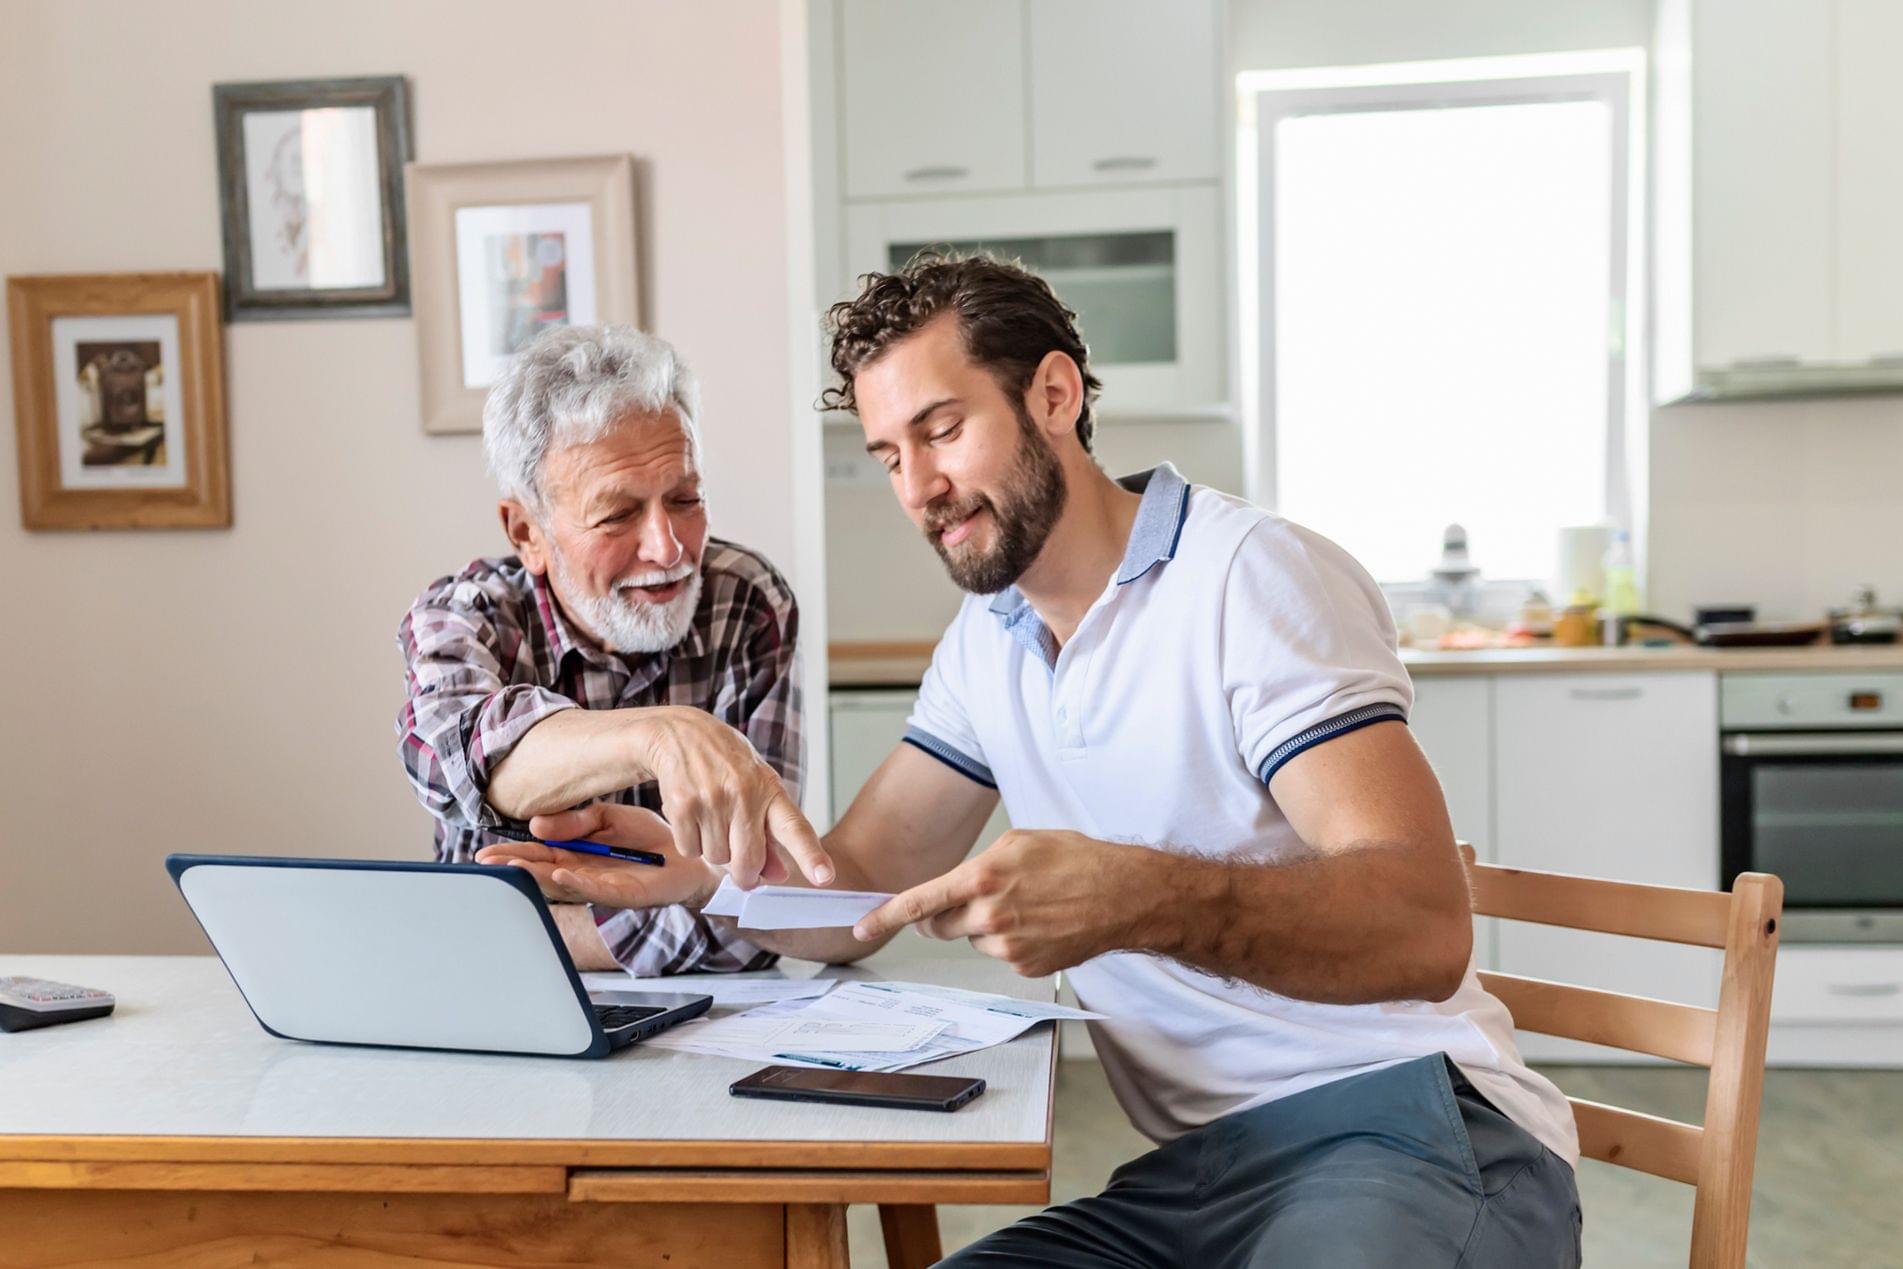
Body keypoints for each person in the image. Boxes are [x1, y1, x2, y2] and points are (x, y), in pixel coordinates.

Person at [483, 258, 1582, 1265]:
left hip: (1411, 1127)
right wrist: (706, 876)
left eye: (943, 429)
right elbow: (854, 893)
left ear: (1053, 396)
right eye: (889, 455)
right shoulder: (987, 642)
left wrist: (1135, 896)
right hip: (1196, 1179)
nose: (918, 486)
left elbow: (1423, 928)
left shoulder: (1251, 580)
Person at [394, 324, 832, 973]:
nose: (669, 548)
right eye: (617, 515)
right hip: (497, 997)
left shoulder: (746, 603)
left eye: (685, 499)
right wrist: (662, 735)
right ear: (526, 532)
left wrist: (537, 936)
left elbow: (757, 904)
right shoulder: (464, 617)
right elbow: (465, 766)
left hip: (711, 1018)